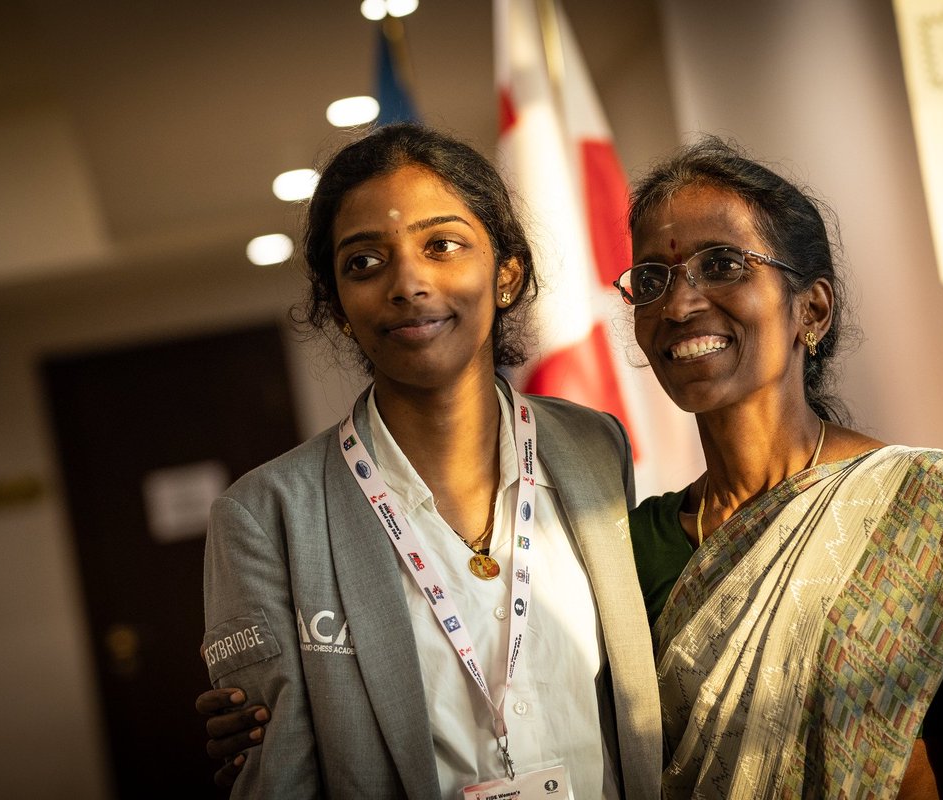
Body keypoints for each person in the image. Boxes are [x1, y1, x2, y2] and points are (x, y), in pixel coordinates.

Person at [201, 135, 943, 798]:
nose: (683, 303)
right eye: (654, 279)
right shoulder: (633, 539)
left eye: (723, 264)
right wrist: (274, 715)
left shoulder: (933, 516)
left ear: (813, 309)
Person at [198, 122, 661, 798]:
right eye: (364, 262)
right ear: (336, 306)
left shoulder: (595, 447)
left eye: (442, 245)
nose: (407, 282)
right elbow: (279, 776)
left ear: (506, 274)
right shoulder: (267, 516)